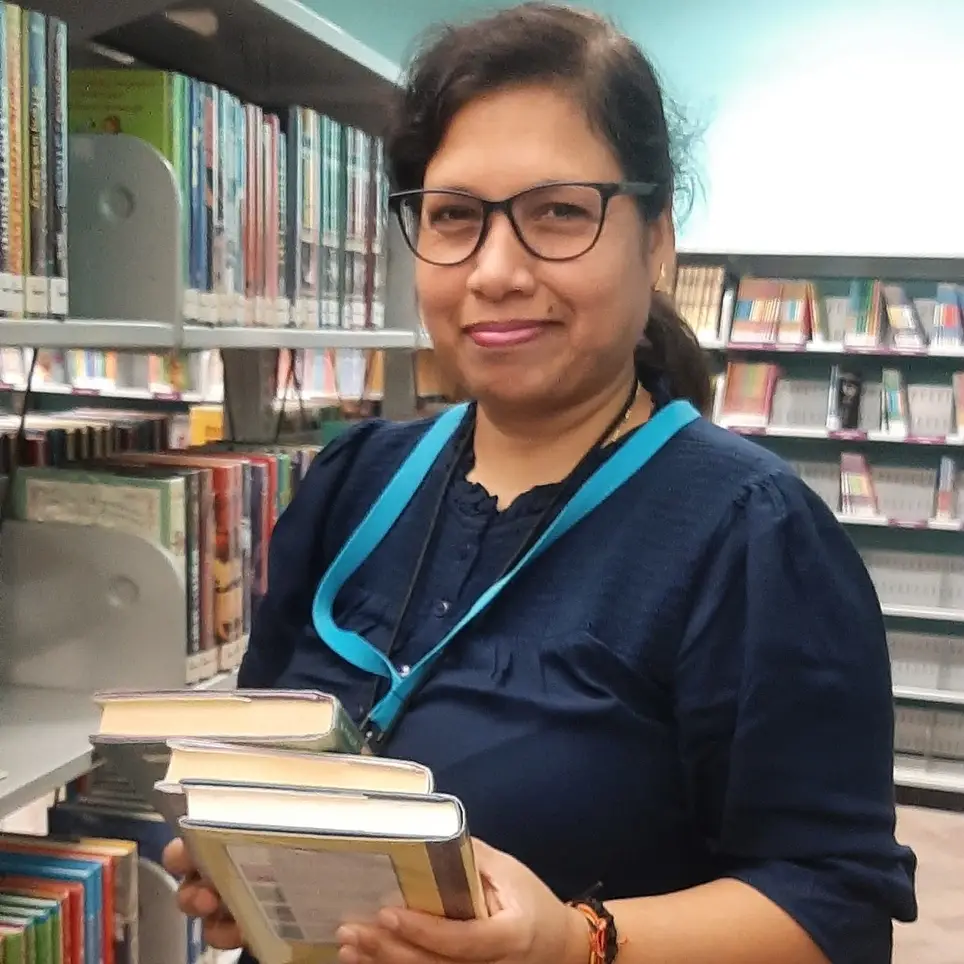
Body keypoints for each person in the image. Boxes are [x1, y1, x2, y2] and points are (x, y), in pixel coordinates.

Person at [163, 3, 918, 962]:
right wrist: (253, 870)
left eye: (559, 212)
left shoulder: (753, 537)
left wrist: (573, 941)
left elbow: (836, 907)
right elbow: (264, 763)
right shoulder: (352, 486)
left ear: (656, 240)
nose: (495, 271)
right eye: (454, 216)